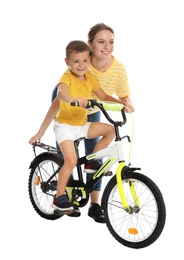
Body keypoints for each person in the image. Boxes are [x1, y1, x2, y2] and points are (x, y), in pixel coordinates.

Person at [29, 40, 125, 220]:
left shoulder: (90, 77)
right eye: (76, 62)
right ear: (67, 62)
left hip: (81, 125)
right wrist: (74, 99)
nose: (81, 66)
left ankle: (92, 163)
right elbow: (60, 93)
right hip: (64, 127)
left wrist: (121, 104)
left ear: (89, 60)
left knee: (110, 130)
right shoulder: (67, 77)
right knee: (71, 160)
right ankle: (58, 198)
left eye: (85, 61)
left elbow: (103, 95)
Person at [51, 23, 135, 223]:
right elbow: (63, 90)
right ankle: (64, 197)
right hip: (70, 107)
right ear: (90, 45)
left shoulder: (118, 69)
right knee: (67, 154)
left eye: (111, 42)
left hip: (93, 109)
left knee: (95, 157)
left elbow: (121, 96)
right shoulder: (82, 63)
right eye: (101, 42)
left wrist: (126, 103)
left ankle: (95, 204)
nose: (107, 47)